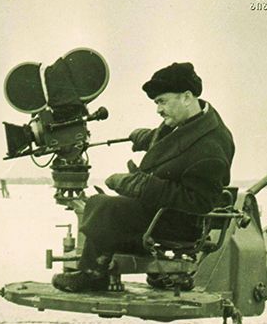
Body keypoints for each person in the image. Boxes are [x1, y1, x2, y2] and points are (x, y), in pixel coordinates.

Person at [52, 62, 235, 292]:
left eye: (162, 101)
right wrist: (149, 138)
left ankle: (93, 274)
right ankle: (141, 270)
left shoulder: (212, 145)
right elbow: (179, 146)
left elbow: (199, 202)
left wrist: (142, 185)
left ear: (187, 97)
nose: (158, 110)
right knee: (104, 205)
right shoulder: (194, 122)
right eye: (157, 103)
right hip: (162, 212)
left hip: (176, 222)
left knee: (103, 206)